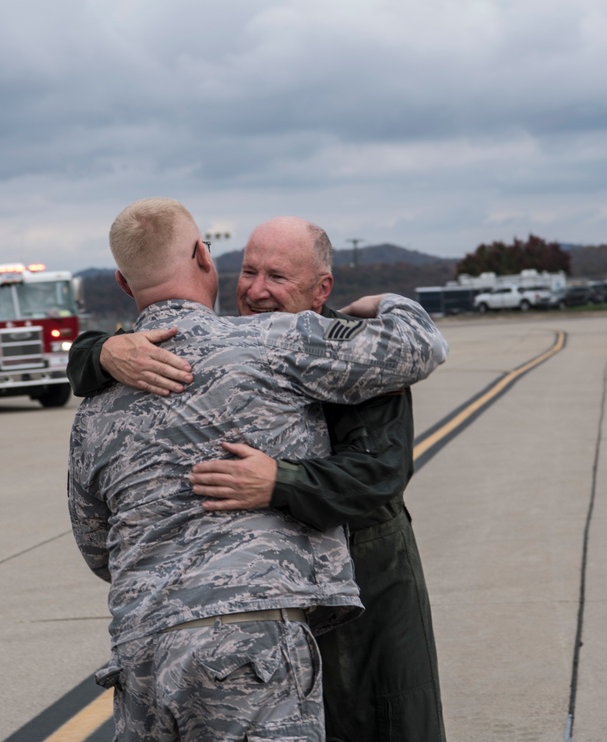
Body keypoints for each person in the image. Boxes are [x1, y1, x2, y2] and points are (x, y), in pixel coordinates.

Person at [68, 198, 448, 741]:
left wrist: (279, 482)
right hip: (256, 643)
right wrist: (100, 350)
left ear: (322, 290)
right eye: (249, 271)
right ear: (208, 259)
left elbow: (379, 476)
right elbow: (419, 343)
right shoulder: (264, 343)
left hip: (354, 611)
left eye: (277, 276)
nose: (258, 289)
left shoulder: (96, 409)